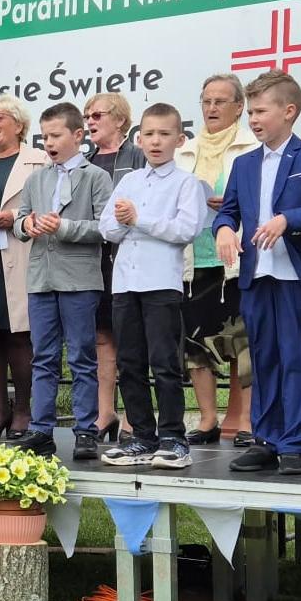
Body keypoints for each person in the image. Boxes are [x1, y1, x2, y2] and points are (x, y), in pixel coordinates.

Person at [213, 70, 301, 476]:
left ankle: (294, 443)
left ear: (289, 111)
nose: (253, 119)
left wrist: (288, 219)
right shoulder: (244, 164)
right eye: (250, 112)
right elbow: (229, 211)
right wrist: (224, 229)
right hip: (256, 274)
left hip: (295, 275)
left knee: (294, 357)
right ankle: (265, 439)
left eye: (261, 111)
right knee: (262, 358)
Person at [99, 103, 209, 470]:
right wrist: (125, 221)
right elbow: (107, 227)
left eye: (164, 134)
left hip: (161, 283)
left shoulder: (186, 183)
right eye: (149, 134)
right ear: (139, 138)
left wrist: (139, 219)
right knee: (129, 363)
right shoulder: (129, 181)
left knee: (164, 362)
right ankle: (142, 436)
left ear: (180, 139)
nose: (156, 141)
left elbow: (186, 230)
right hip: (124, 284)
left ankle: (174, 438)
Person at [10, 102, 112, 461]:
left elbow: (106, 227)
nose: (49, 143)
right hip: (41, 278)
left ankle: (86, 430)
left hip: (80, 280)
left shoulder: (95, 176)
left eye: (55, 136)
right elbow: (20, 222)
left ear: (78, 135)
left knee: (82, 356)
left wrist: (64, 227)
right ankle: (41, 430)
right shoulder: (36, 179)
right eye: (44, 137)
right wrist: (26, 225)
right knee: (43, 356)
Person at [174, 75, 257, 447]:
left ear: (239, 107)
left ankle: (247, 421)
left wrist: (234, 203)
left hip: (236, 259)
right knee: (196, 343)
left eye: (221, 101)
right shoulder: (184, 151)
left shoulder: (251, 146)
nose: (212, 108)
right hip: (194, 260)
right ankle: (207, 419)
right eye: (206, 101)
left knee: (242, 341)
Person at [0, 96, 50, 440]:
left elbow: (50, 204)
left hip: (19, 252)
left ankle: (24, 411)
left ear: (19, 124)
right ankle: (0, 409)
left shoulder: (39, 160)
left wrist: (14, 216)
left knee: (19, 336)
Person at [83, 92, 146, 443]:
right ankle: (105, 412)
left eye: (97, 115)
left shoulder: (138, 156)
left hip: (131, 259)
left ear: (120, 120)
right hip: (94, 261)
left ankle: (135, 417)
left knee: (131, 338)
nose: (90, 121)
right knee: (101, 336)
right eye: (87, 116)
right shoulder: (85, 162)